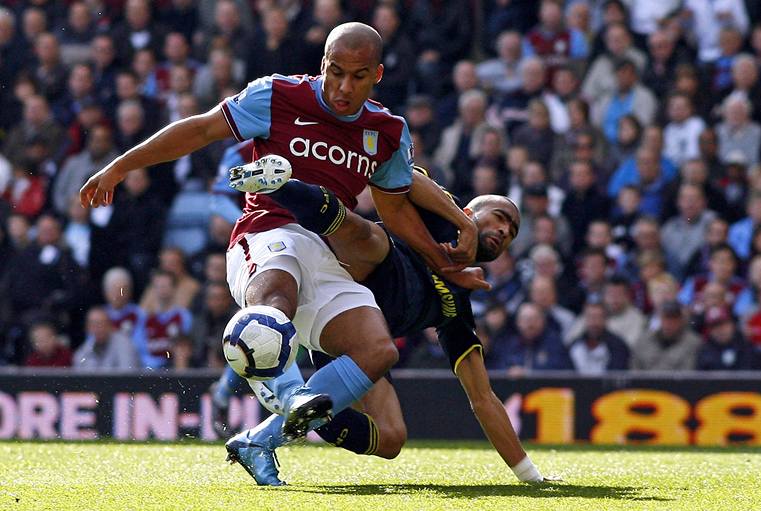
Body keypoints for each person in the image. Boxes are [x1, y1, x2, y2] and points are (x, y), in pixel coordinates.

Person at [80, 22, 480, 481]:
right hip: (265, 232)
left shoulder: (385, 131)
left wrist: (441, 259)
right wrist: (119, 167)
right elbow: (199, 130)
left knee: (378, 350)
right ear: (322, 65)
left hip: (328, 256)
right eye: (334, 72)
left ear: (378, 76)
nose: (343, 87)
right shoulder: (275, 95)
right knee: (278, 297)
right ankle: (289, 394)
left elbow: (395, 211)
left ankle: (260, 439)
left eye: (357, 76)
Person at [220, 167, 549, 485]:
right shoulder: (442, 214)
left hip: (353, 341)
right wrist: (462, 223)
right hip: (335, 276)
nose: (506, 231)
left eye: (513, 232)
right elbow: (404, 175)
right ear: (467, 210)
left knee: (391, 439)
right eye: (500, 217)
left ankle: (262, 438)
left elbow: (483, 398)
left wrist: (530, 476)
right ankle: (280, 186)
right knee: (374, 240)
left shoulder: (458, 306)